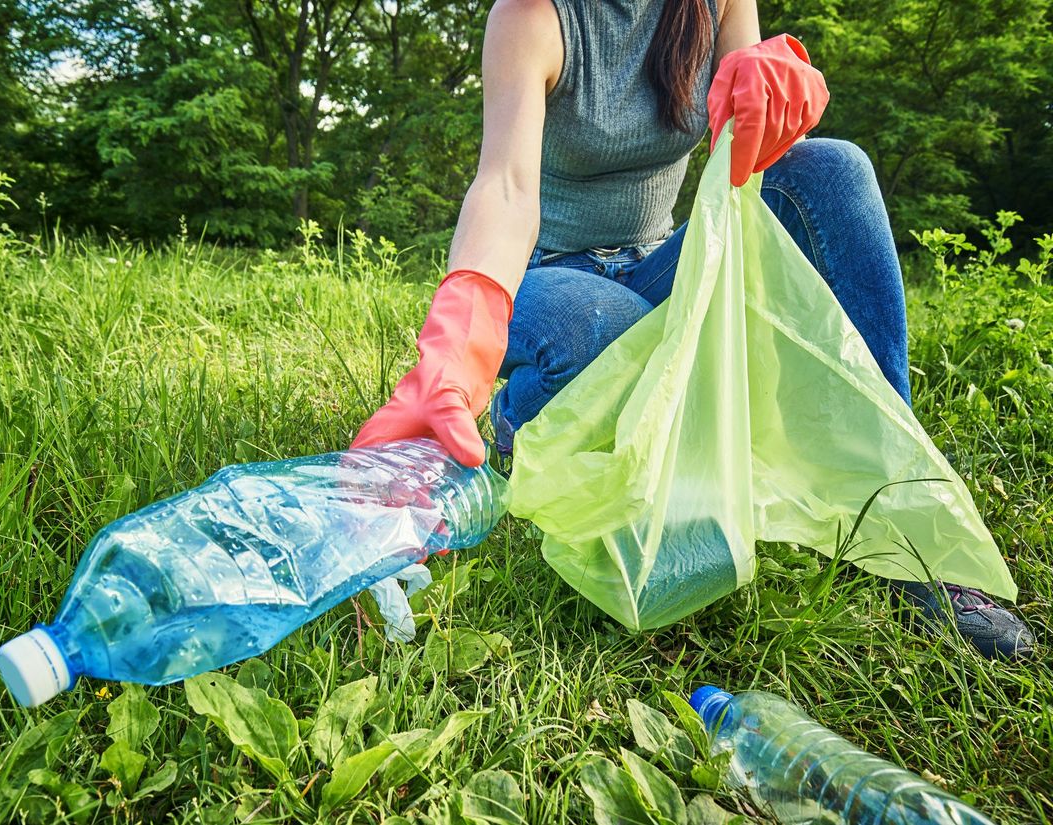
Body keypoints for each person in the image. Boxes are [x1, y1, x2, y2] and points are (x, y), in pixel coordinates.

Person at [351, 0, 1033, 659]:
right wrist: (460, 339)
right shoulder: (533, 17)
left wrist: (773, 84)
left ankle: (900, 518)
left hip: (657, 264)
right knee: (603, 325)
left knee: (835, 170)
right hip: (549, 278)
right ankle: (514, 418)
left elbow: (750, 160)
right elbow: (506, 188)